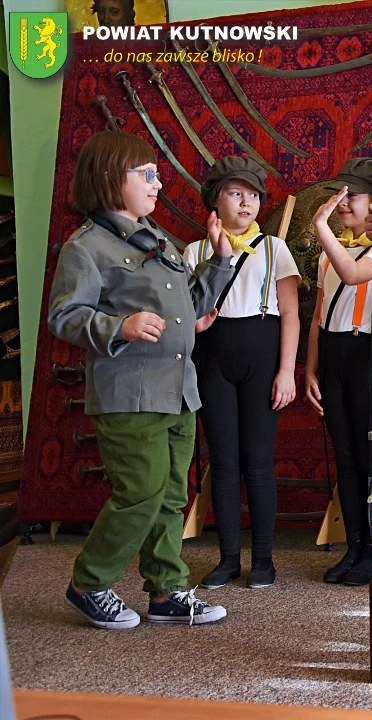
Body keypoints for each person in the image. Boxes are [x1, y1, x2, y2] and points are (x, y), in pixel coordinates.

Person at [50, 131, 229, 628]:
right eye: (145, 174)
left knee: (172, 495)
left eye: (156, 173)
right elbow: (64, 315)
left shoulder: (155, 236)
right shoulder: (86, 247)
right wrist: (117, 326)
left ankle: (166, 590)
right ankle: (90, 581)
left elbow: (191, 307)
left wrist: (218, 262)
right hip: (130, 393)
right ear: (111, 179)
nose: (158, 182)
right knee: (142, 492)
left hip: (178, 390)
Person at [186, 157, 300, 591]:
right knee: (224, 461)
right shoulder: (194, 252)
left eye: (253, 194)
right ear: (215, 201)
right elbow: (189, 312)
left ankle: (264, 559)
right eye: (236, 193)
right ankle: (228, 558)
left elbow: (290, 313)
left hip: (261, 357)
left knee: (258, 460)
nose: (247, 201)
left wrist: (287, 371)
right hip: (213, 360)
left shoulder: (275, 249)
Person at [306, 158, 372, 587]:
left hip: (368, 352)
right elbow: (318, 315)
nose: (341, 203)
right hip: (334, 352)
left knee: (369, 458)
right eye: (338, 195)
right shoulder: (334, 250)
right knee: (344, 456)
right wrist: (311, 368)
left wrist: (319, 224)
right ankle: (355, 545)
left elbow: (351, 271)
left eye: (351, 196)